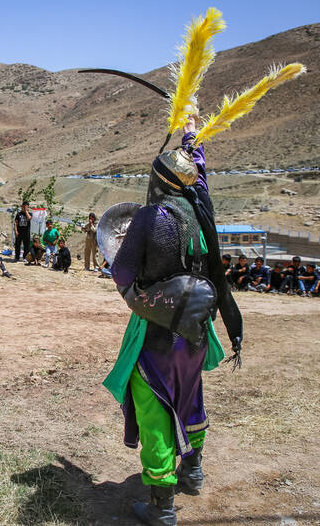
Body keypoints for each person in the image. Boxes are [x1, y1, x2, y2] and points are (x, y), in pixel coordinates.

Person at [104, 116, 242, 526]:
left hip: (158, 331)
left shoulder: (151, 216)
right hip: (196, 328)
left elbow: (123, 271)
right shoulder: (201, 212)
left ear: (158, 180)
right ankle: (194, 470)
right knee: (190, 394)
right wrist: (190, 138)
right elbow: (196, 174)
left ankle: (162, 505)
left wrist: (136, 295)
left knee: (154, 408)